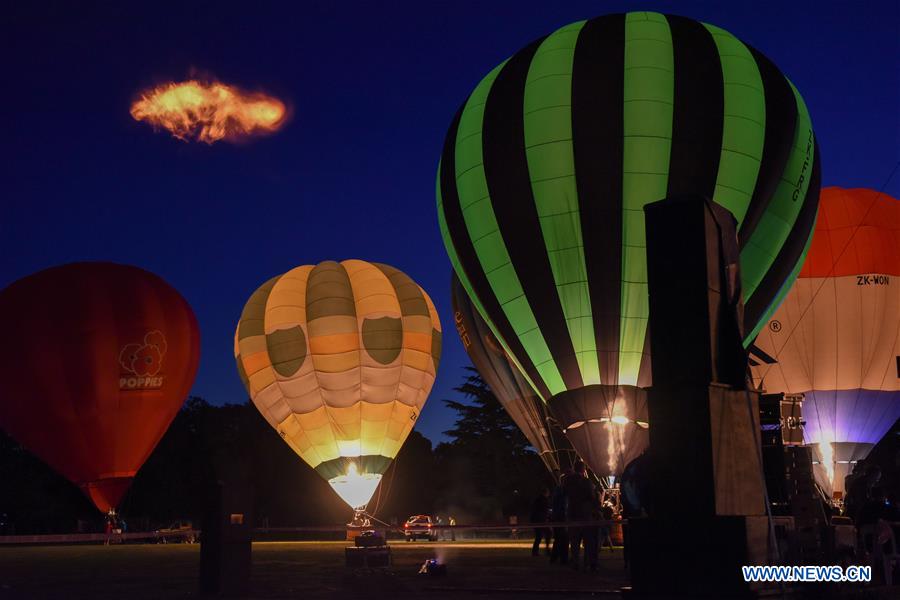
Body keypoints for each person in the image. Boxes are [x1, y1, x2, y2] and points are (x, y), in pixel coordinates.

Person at [565, 461, 597, 571]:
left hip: (573, 514)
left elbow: (565, 494)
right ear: (583, 470)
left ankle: (575, 562)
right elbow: (592, 498)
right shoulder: (586, 482)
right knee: (588, 541)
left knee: (574, 541)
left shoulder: (568, 482)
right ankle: (587, 562)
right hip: (585, 515)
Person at [550, 469, 570, 565]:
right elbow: (562, 505)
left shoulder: (557, 490)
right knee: (563, 538)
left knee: (559, 539)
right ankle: (563, 558)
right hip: (561, 517)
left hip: (558, 517)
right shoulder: (562, 491)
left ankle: (555, 557)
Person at [530, 487, 551, 556]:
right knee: (545, 534)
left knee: (539, 536)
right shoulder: (544, 500)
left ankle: (535, 551)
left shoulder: (538, 499)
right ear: (546, 493)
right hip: (541, 521)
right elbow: (544, 510)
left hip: (537, 520)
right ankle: (545, 550)